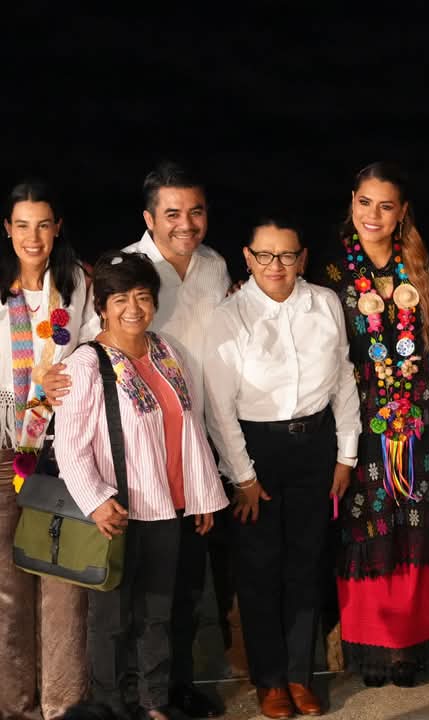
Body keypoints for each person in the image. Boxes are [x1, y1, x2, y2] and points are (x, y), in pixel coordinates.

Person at [44, 162, 232, 718]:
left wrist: (202, 497)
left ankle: (152, 703)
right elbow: (71, 447)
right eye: (120, 299)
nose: (133, 308)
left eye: (143, 298)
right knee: (111, 619)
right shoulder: (87, 364)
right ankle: (110, 705)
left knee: (157, 614)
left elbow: (190, 430)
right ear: (102, 306)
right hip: (119, 510)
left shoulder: (167, 353)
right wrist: (97, 501)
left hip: (169, 509)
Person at [203, 217, 361, 717]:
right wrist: (243, 476)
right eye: (265, 255)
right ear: (248, 258)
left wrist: (346, 454)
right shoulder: (229, 315)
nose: (277, 265)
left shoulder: (324, 303)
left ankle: (299, 675)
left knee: (306, 563)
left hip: (315, 446)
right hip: (257, 450)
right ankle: (270, 680)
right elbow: (219, 407)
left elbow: (344, 380)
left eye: (287, 255)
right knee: (259, 566)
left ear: (302, 258)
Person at [323, 162, 429, 688]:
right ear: (351, 202)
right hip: (360, 423)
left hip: (416, 422)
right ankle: (373, 646)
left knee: (413, 521)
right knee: (367, 524)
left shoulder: (422, 269)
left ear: (402, 213)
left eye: (386, 205)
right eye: (365, 202)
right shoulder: (329, 272)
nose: (373, 214)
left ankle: (410, 648)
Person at [0, 181, 96, 719]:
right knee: (7, 591)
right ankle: (15, 707)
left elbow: (94, 347)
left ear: (57, 227)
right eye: (22, 225)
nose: (32, 237)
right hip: (4, 449)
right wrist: (30, 390)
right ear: (7, 230)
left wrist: (68, 375)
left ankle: (64, 706)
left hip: (63, 452)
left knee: (64, 585)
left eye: (43, 224)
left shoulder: (77, 283)